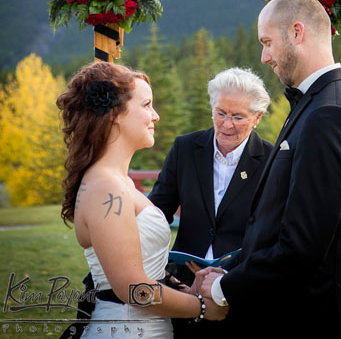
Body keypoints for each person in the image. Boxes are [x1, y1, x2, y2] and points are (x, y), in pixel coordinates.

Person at [198, 0, 341, 339]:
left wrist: (223, 290)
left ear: (296, 33)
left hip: (298, 319)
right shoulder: (317, 104)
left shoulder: (330, 114)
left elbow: (302, 246)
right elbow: (275, 221)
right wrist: (227, 269)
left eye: (267, 42)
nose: (264, 57)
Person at [57, 61, 227, 339]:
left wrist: (190, 289)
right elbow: (132, 288)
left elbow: (146, 272)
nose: (156, 115)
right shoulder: (105, 188)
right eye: (146, 105)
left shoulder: (118, 182)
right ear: (115, 114)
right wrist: (201, 307)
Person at [148, 67, 273, 337]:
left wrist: (232, 272)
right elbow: (157, 211)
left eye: (238, 117)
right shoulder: (185, 148)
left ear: (257, 118)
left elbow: (272, 232)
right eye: (220, 113)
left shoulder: (272, 161)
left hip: (240, 288)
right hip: (184, 285)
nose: (227, 125)